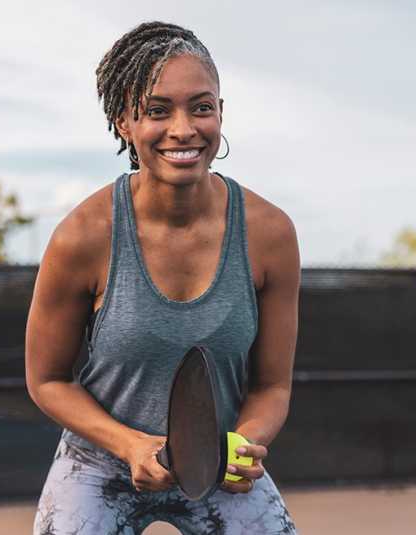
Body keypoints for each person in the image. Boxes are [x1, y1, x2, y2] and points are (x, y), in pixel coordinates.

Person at [25, 21, 300, 535]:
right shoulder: (82, 236)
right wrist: (130, 444)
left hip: (214, 459)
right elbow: (47, 380)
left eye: (201, 106)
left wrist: (244, 443)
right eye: (157, 110)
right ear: (124, 122)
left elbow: (272, 385)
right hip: (101, 461)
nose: (183, 128)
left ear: (220, 112)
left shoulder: (270, 234)